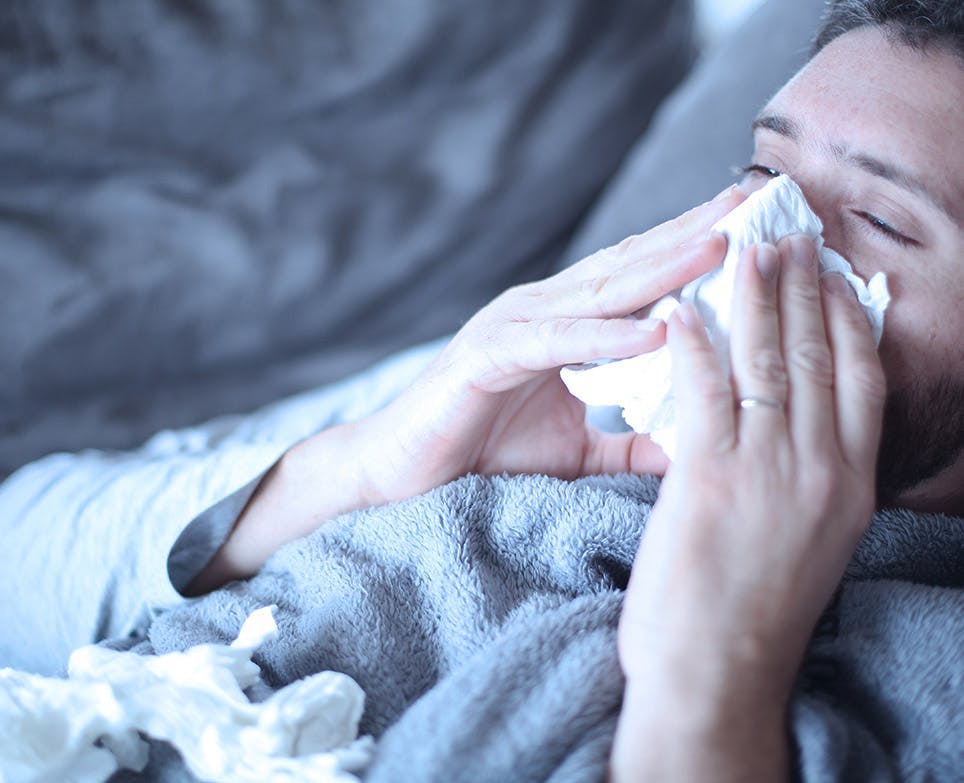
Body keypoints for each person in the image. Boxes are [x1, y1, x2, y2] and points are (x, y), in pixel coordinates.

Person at [167, 1, 964, 778]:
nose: (760, 243)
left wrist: (713, 675)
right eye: (764, 171)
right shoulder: (526, 402)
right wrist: (371, 471)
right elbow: (52, 542)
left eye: (881, 220)